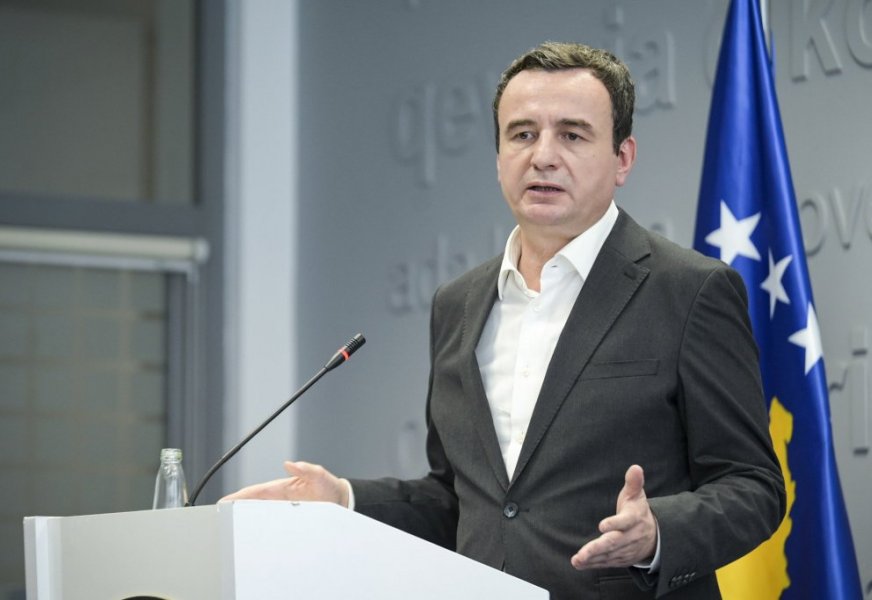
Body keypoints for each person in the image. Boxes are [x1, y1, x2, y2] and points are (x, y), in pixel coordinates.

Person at [223, 41, 786, 599]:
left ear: (622, 159)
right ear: (498, 159)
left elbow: (753, 485)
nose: (543, 156)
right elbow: (463, 501)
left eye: (572, 135)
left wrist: (659, 533)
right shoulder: (458, 304)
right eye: (522, 134)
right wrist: (344, 500)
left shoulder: (689, 290)